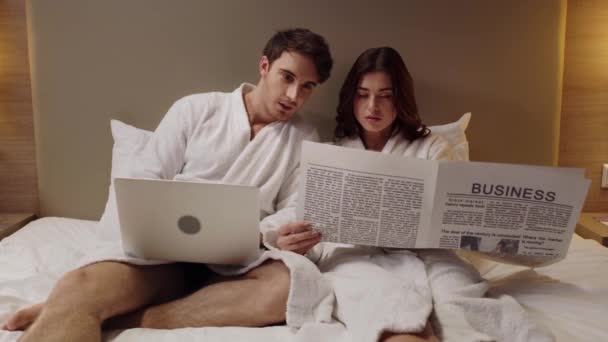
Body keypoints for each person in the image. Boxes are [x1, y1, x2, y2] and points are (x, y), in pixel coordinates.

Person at [3, 28, 332, 341]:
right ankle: (77, 307)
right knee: (79, 286)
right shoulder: (196, 109)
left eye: (307, 87)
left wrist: (270, 233)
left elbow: (293, 206)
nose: (294, 95)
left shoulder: (303, 138)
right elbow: (147, 179)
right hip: (164, 259)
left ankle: (121, 317)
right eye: (287, 77)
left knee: (288, 289)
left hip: (243, 264)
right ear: (264, 66)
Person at [278, 47, 551, 342]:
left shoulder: (432, 147)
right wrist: (295, 240)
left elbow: (454, 212)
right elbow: (305, 217)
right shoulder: (336, 153)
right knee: (385, 306)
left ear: (401, 98)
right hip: (360, 258)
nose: (373, 106)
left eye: (386, 95)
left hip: (432, 256)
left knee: (463, 306)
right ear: (351, 98)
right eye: (363, 94)